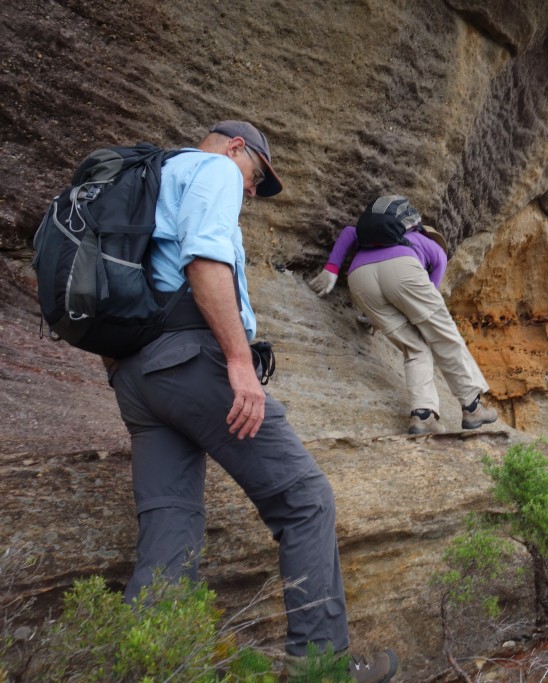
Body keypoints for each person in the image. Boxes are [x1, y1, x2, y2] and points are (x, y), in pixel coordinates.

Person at [105, 121, 397, 682]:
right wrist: (240, 364)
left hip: (135, 381)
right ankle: (322, 670)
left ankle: (155, 669)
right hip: (193, 362)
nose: (248, 191)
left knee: (170, 530)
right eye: (255, 177)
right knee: (304, 499)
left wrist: (125, 370)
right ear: (236, 148)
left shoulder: (146, 184)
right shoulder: (210, 168)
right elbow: (204, 260)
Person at [308, 195, 498, 435]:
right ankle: (472, 407)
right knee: (444, 335)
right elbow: (427, 303)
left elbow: (347, 232)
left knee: (415, 347)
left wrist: (332, 269)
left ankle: (423, 416)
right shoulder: (436, 250)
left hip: (359, 277)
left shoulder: (374, 236)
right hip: (403, 270)